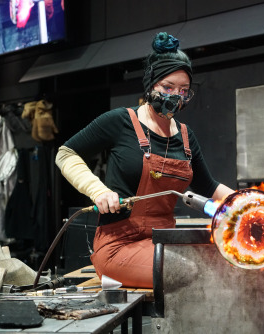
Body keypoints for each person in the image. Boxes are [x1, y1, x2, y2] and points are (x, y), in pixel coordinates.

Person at [56, 32, 234, 288]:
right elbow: (65, 153)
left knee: (221, 260)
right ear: (151, 84)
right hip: (119, 247)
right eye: (168, 87)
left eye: (184, 90)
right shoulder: (120, 122)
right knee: (187, 271)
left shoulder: (185, 137)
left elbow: (209, 187)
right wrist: (98, 192)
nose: (177, 96)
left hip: (163, 241)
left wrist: (246, 203)